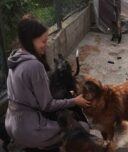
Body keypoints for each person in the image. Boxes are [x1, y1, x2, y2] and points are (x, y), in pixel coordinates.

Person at [5, 15, 91, 151]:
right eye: (43, 42)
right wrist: (74, 101)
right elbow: (47, 105)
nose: (46, 46)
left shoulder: (15, 58)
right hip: (28, 128)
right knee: (83, 128)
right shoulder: (34, 65)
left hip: (11, 122)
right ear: (30, 40)